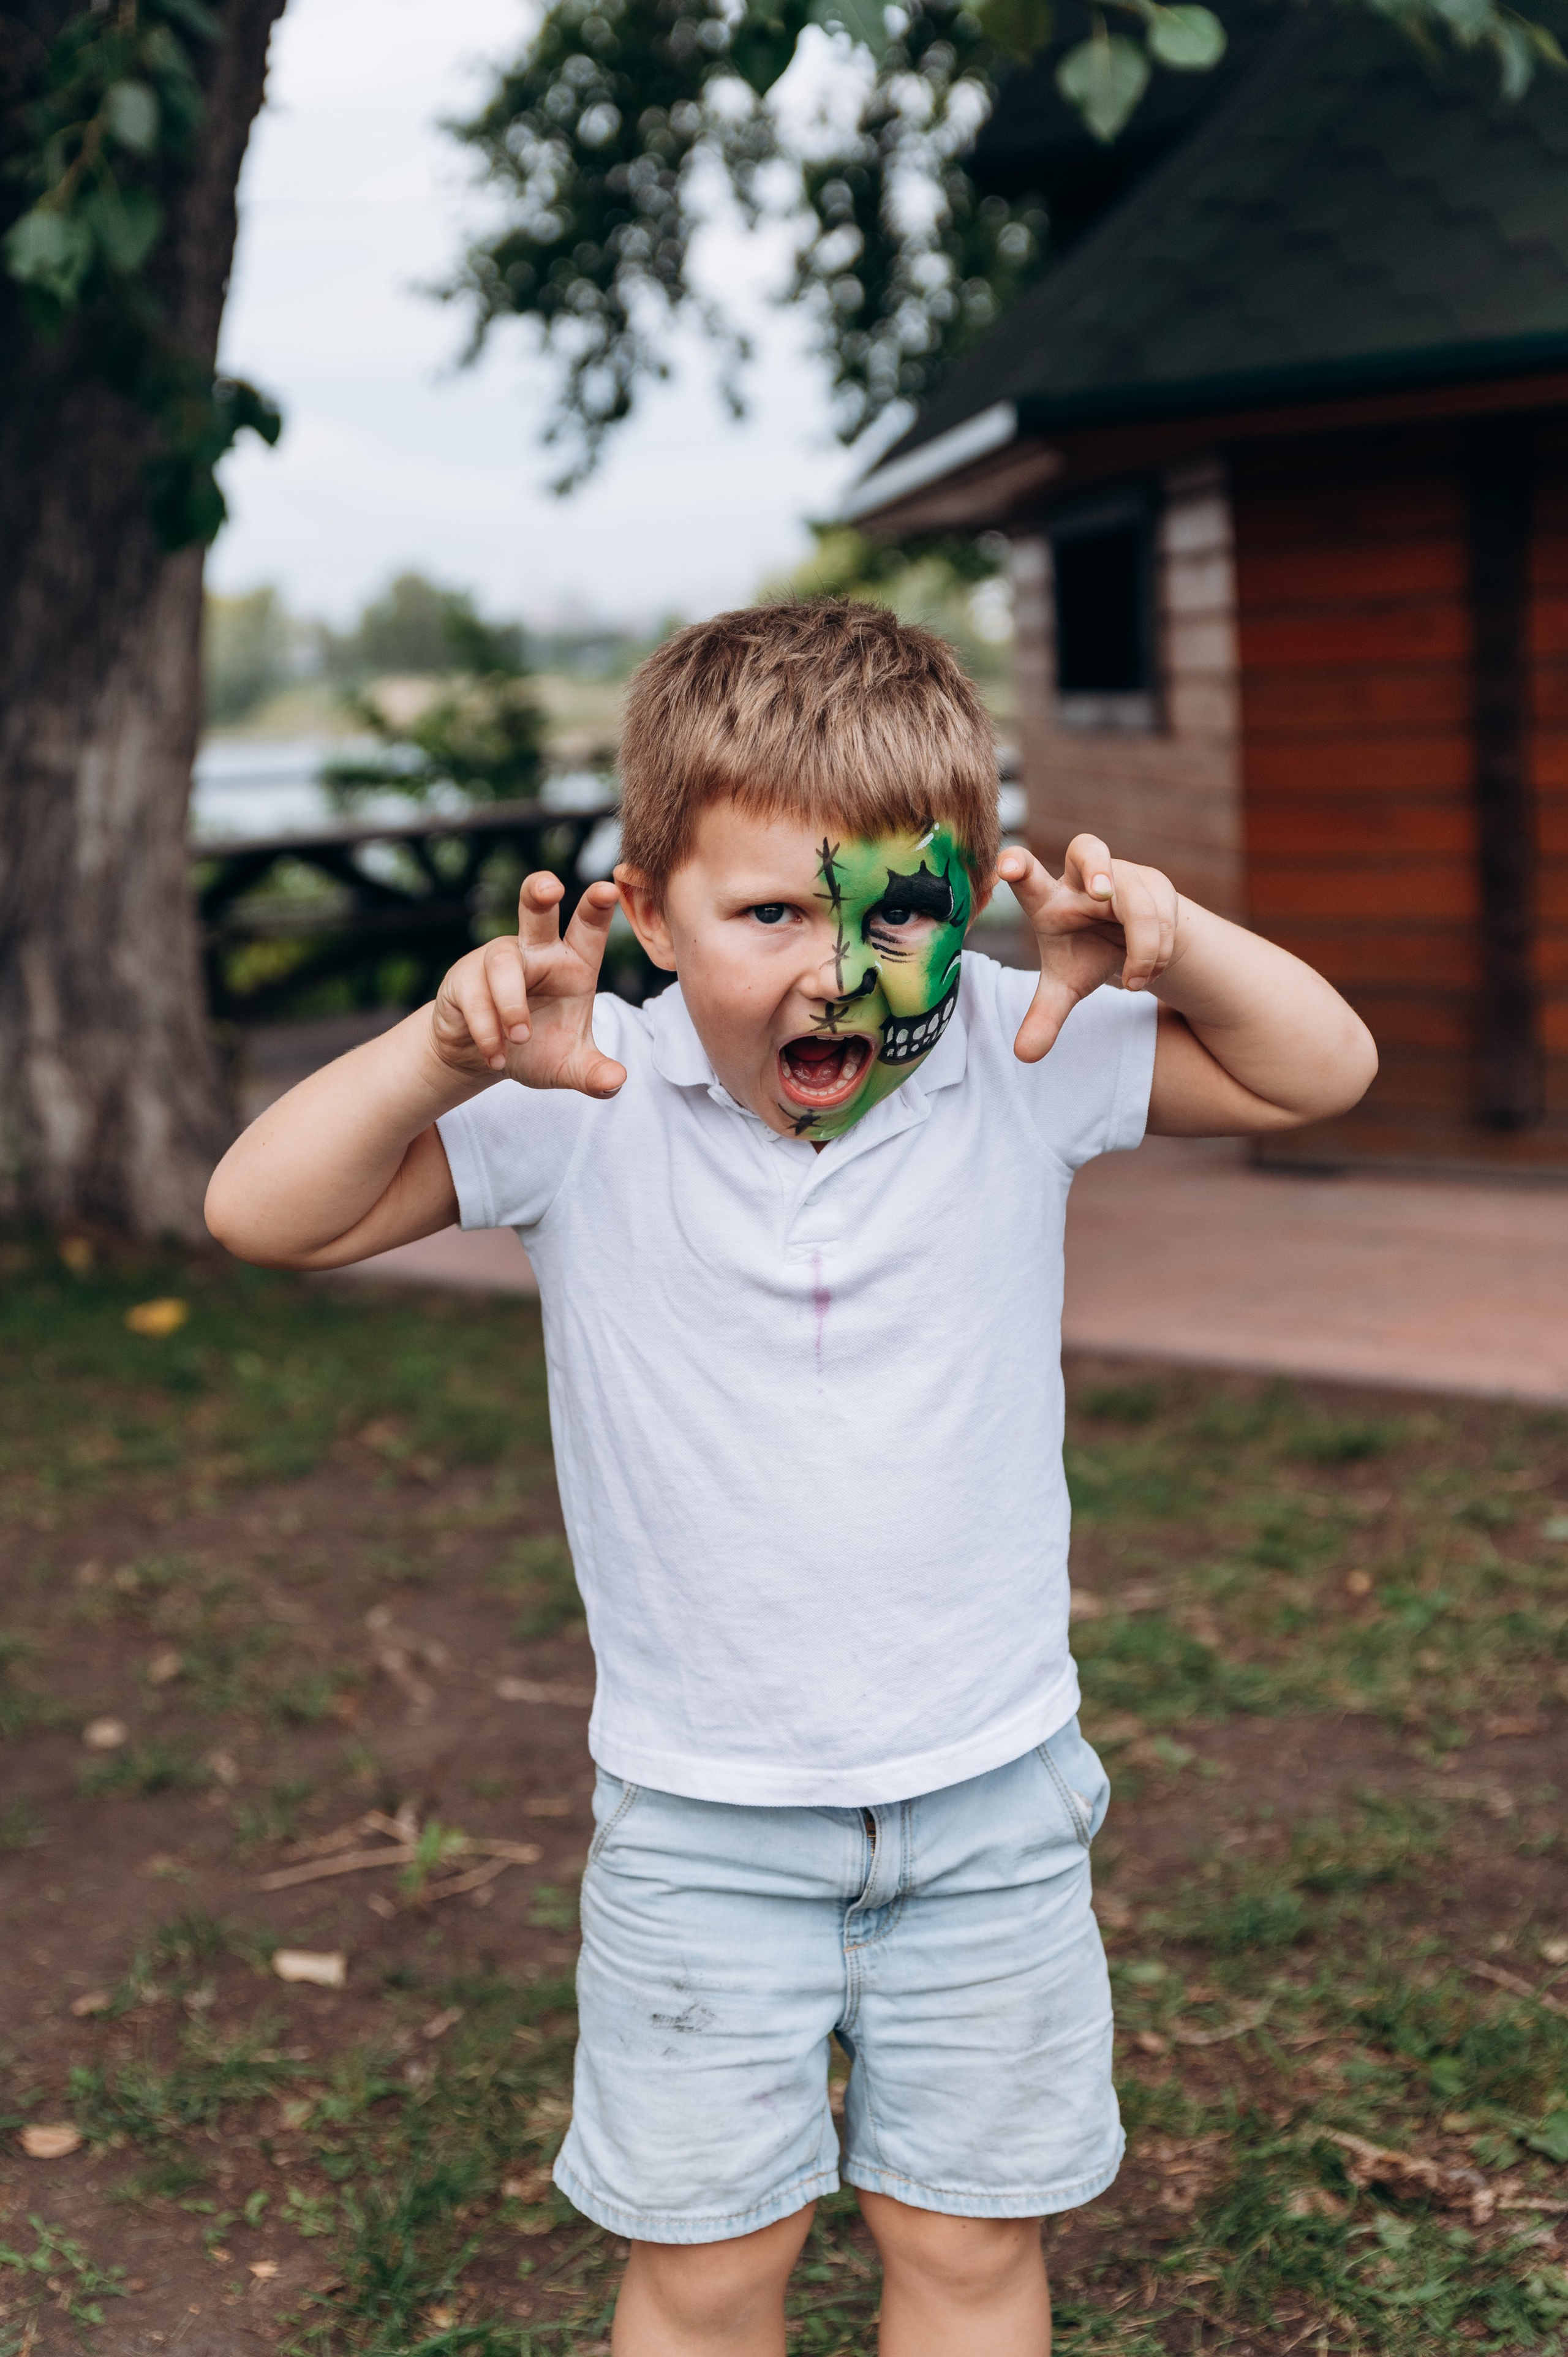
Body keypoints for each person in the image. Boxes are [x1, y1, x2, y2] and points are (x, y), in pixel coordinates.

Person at [206, 598, 1376, 2357]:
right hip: (701, 1826)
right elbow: (258, 1213)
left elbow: (1325, 1068)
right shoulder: (577, 1090)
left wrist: (1177, 940)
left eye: (898, 910)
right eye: (767, 915)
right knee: (705, 2269)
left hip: (989, 1804)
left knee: (971, 2252)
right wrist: (440, 1053)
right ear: (650, 911)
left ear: (968, 903)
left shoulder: (1010, 1050)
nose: (836, 968)